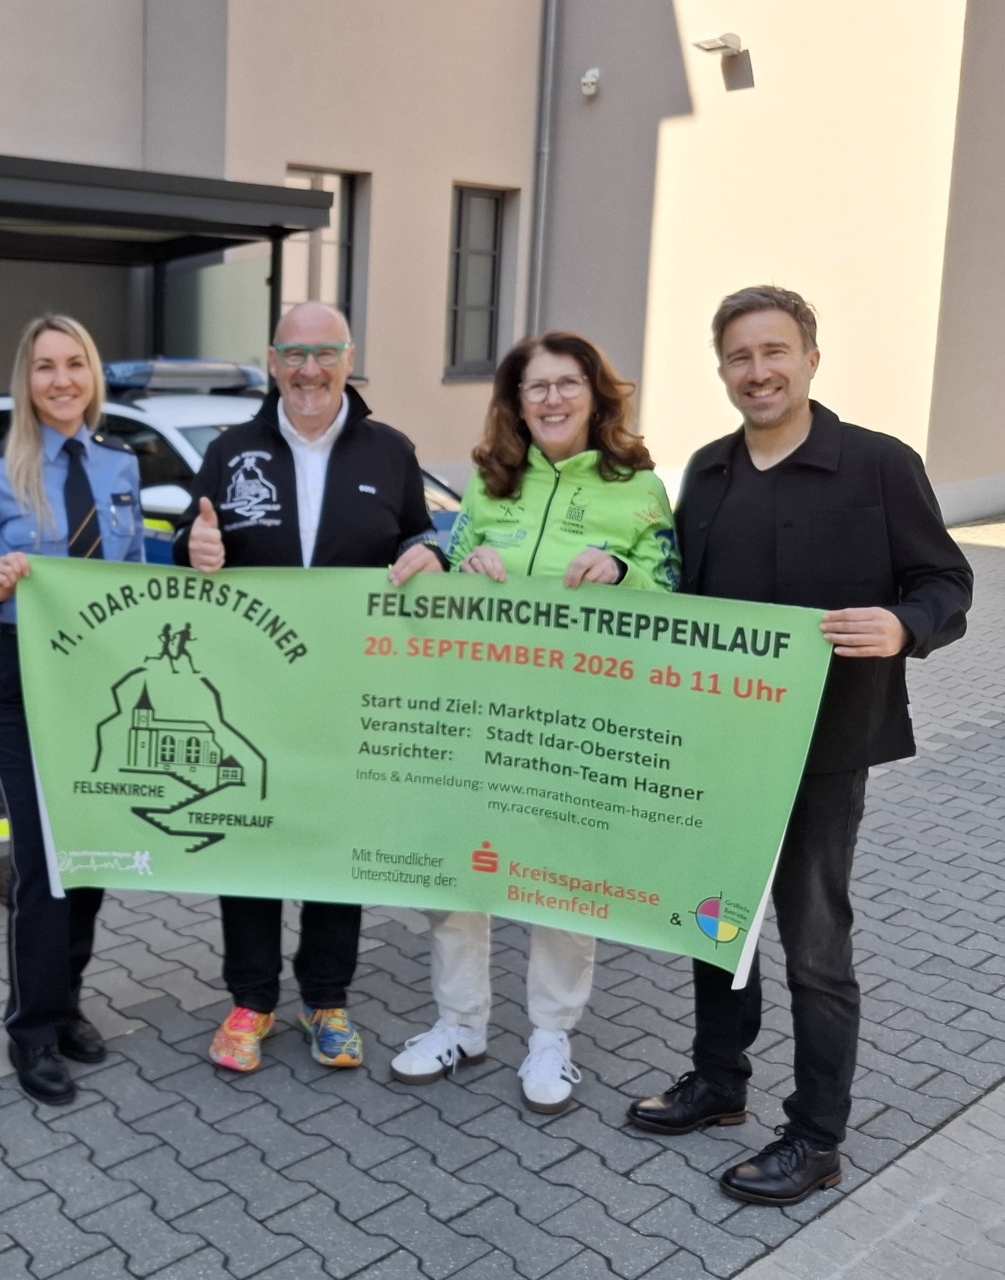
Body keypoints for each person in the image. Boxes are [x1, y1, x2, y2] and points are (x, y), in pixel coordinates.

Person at [625, 286, 972, 1204]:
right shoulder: (706, 473)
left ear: (812, 358)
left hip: (827, 748)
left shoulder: (880, 466)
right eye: (739, 357)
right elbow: (678, 602)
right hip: (719, 751)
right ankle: (719, 1083)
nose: (758, 372)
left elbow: (946, 581)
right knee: (713, 919)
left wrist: (906, 625)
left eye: (774, 352)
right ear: (723, 371)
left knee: (815, 941)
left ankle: (816, 1137)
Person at [388, 332, 678, 1114]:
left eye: (567, 383)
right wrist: (453, 565)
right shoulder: (488, 486)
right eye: (534, 387)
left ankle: (552, 1036)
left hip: (578, 721)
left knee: (563, 878)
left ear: (597, 393)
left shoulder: (640, 490)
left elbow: (675, 593)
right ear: (515, 403)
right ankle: (460, 1023)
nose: (550, 400)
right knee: (458, 869)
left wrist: (623, 573)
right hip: (481, 711)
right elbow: (456, 567)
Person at [173, 300, 444, 1073]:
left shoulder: (389, 451)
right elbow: (186, 548)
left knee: (334, 845)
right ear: (271, 361)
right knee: (250, 841)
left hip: (348, 690)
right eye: (294, 353)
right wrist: (191, 548)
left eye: (325, 353)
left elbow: (419, 535)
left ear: (349, 360)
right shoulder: (230, 450)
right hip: (249, 689)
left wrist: (429, 555)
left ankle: (328, 998)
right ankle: (252, 1000)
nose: (309, 370)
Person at [0, 314, 146, 1106]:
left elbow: (129, 569)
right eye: (45, 368)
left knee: (88, 855)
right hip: (22, 678)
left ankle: (67, 1008)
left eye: (75, 365)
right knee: (40, 860)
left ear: (92, 375)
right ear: (25, 382)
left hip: (100, 680)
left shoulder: (120, 465)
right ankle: (30, 1028)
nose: (61, 380)